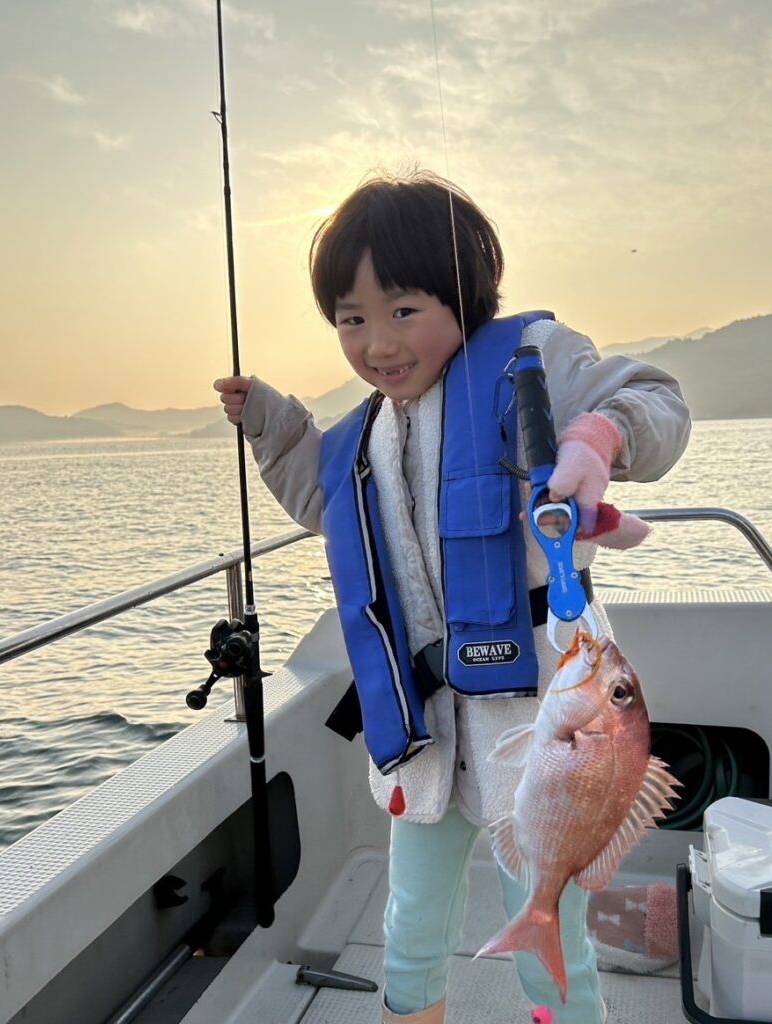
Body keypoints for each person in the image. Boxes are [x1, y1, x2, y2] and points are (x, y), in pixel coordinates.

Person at [214, 170, 691, 1024]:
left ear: (466, 299)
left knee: (555, 954)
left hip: (543, 726)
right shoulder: (363, 433)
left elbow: (656, 399)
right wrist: (274, 425)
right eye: (350, 320)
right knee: (410, 930)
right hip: (426, 732)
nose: (376, 343)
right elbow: (326, 503)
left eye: (402, 310)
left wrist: (593, 435)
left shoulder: (528, 366)